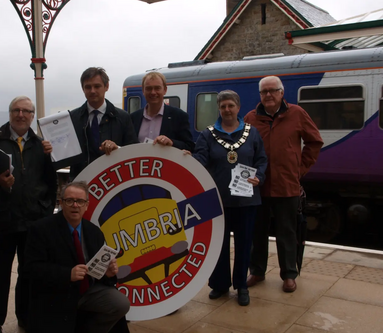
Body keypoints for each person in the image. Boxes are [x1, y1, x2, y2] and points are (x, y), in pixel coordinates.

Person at [0, 96, 58, 332]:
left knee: (28, 273)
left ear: (32, 116)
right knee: (0, 273)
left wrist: (45, 210)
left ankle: (25, 316)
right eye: (16, 110)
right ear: (9, 113)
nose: (21, 115)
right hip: (3, 218)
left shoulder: (41, 145)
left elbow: (51, 182)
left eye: (26, 111)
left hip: (34, 221)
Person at [184, 90, 267, 306]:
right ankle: (219, 285)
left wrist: (259, 176)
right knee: (218, 245)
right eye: (223, 106)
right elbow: (201, 158)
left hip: (246, 200)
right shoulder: (208, 135)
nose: (227, 110)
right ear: (219, 109)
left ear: (238, 108)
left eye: (230, 105)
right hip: (216, 200)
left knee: (244, 243)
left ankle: (241, 286)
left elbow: (261, 160)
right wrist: (189, 160)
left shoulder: (252, 133)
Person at [244, 76, 323, 293]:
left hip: (287, 186)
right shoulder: (251, 118)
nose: (268, 95)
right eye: (264, 92)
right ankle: (257, 271)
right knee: (257, 232)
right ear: (260, 95)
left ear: (281, 92)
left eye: (273, 90)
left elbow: (315, 141)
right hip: (257, 188)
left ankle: (289, 274)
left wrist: (299, 170)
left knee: (287, 232)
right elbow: (241, 148)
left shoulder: (296, 113)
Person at [25, 181, 130, 332]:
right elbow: (31, 268)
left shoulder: (94, 232)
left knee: (121, 304)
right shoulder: (40, 229)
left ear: (86, 205)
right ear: (61, 203)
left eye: (80, 201)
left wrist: (107, 273)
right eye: (69, 201)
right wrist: (67, 274)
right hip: (57, 291)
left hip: (88, 290)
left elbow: (98, 273)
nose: (75, 205)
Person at [69, 67, 138, 180]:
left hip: (113, 183)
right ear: (83, 89)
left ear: (106, 87)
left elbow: (134, 152)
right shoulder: (72, 118)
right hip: (81, 184)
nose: (92, 91)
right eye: (88, 87)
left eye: (97, 86)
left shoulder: (122, 117)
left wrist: (118, 149)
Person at [130, 72, 194, 151]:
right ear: (143, 91)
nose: (153, 92)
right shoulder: (133, 118)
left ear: (165, 90)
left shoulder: (179, 116)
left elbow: (189, 146)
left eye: (157, 88)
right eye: (149, 88)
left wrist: (171, 142)